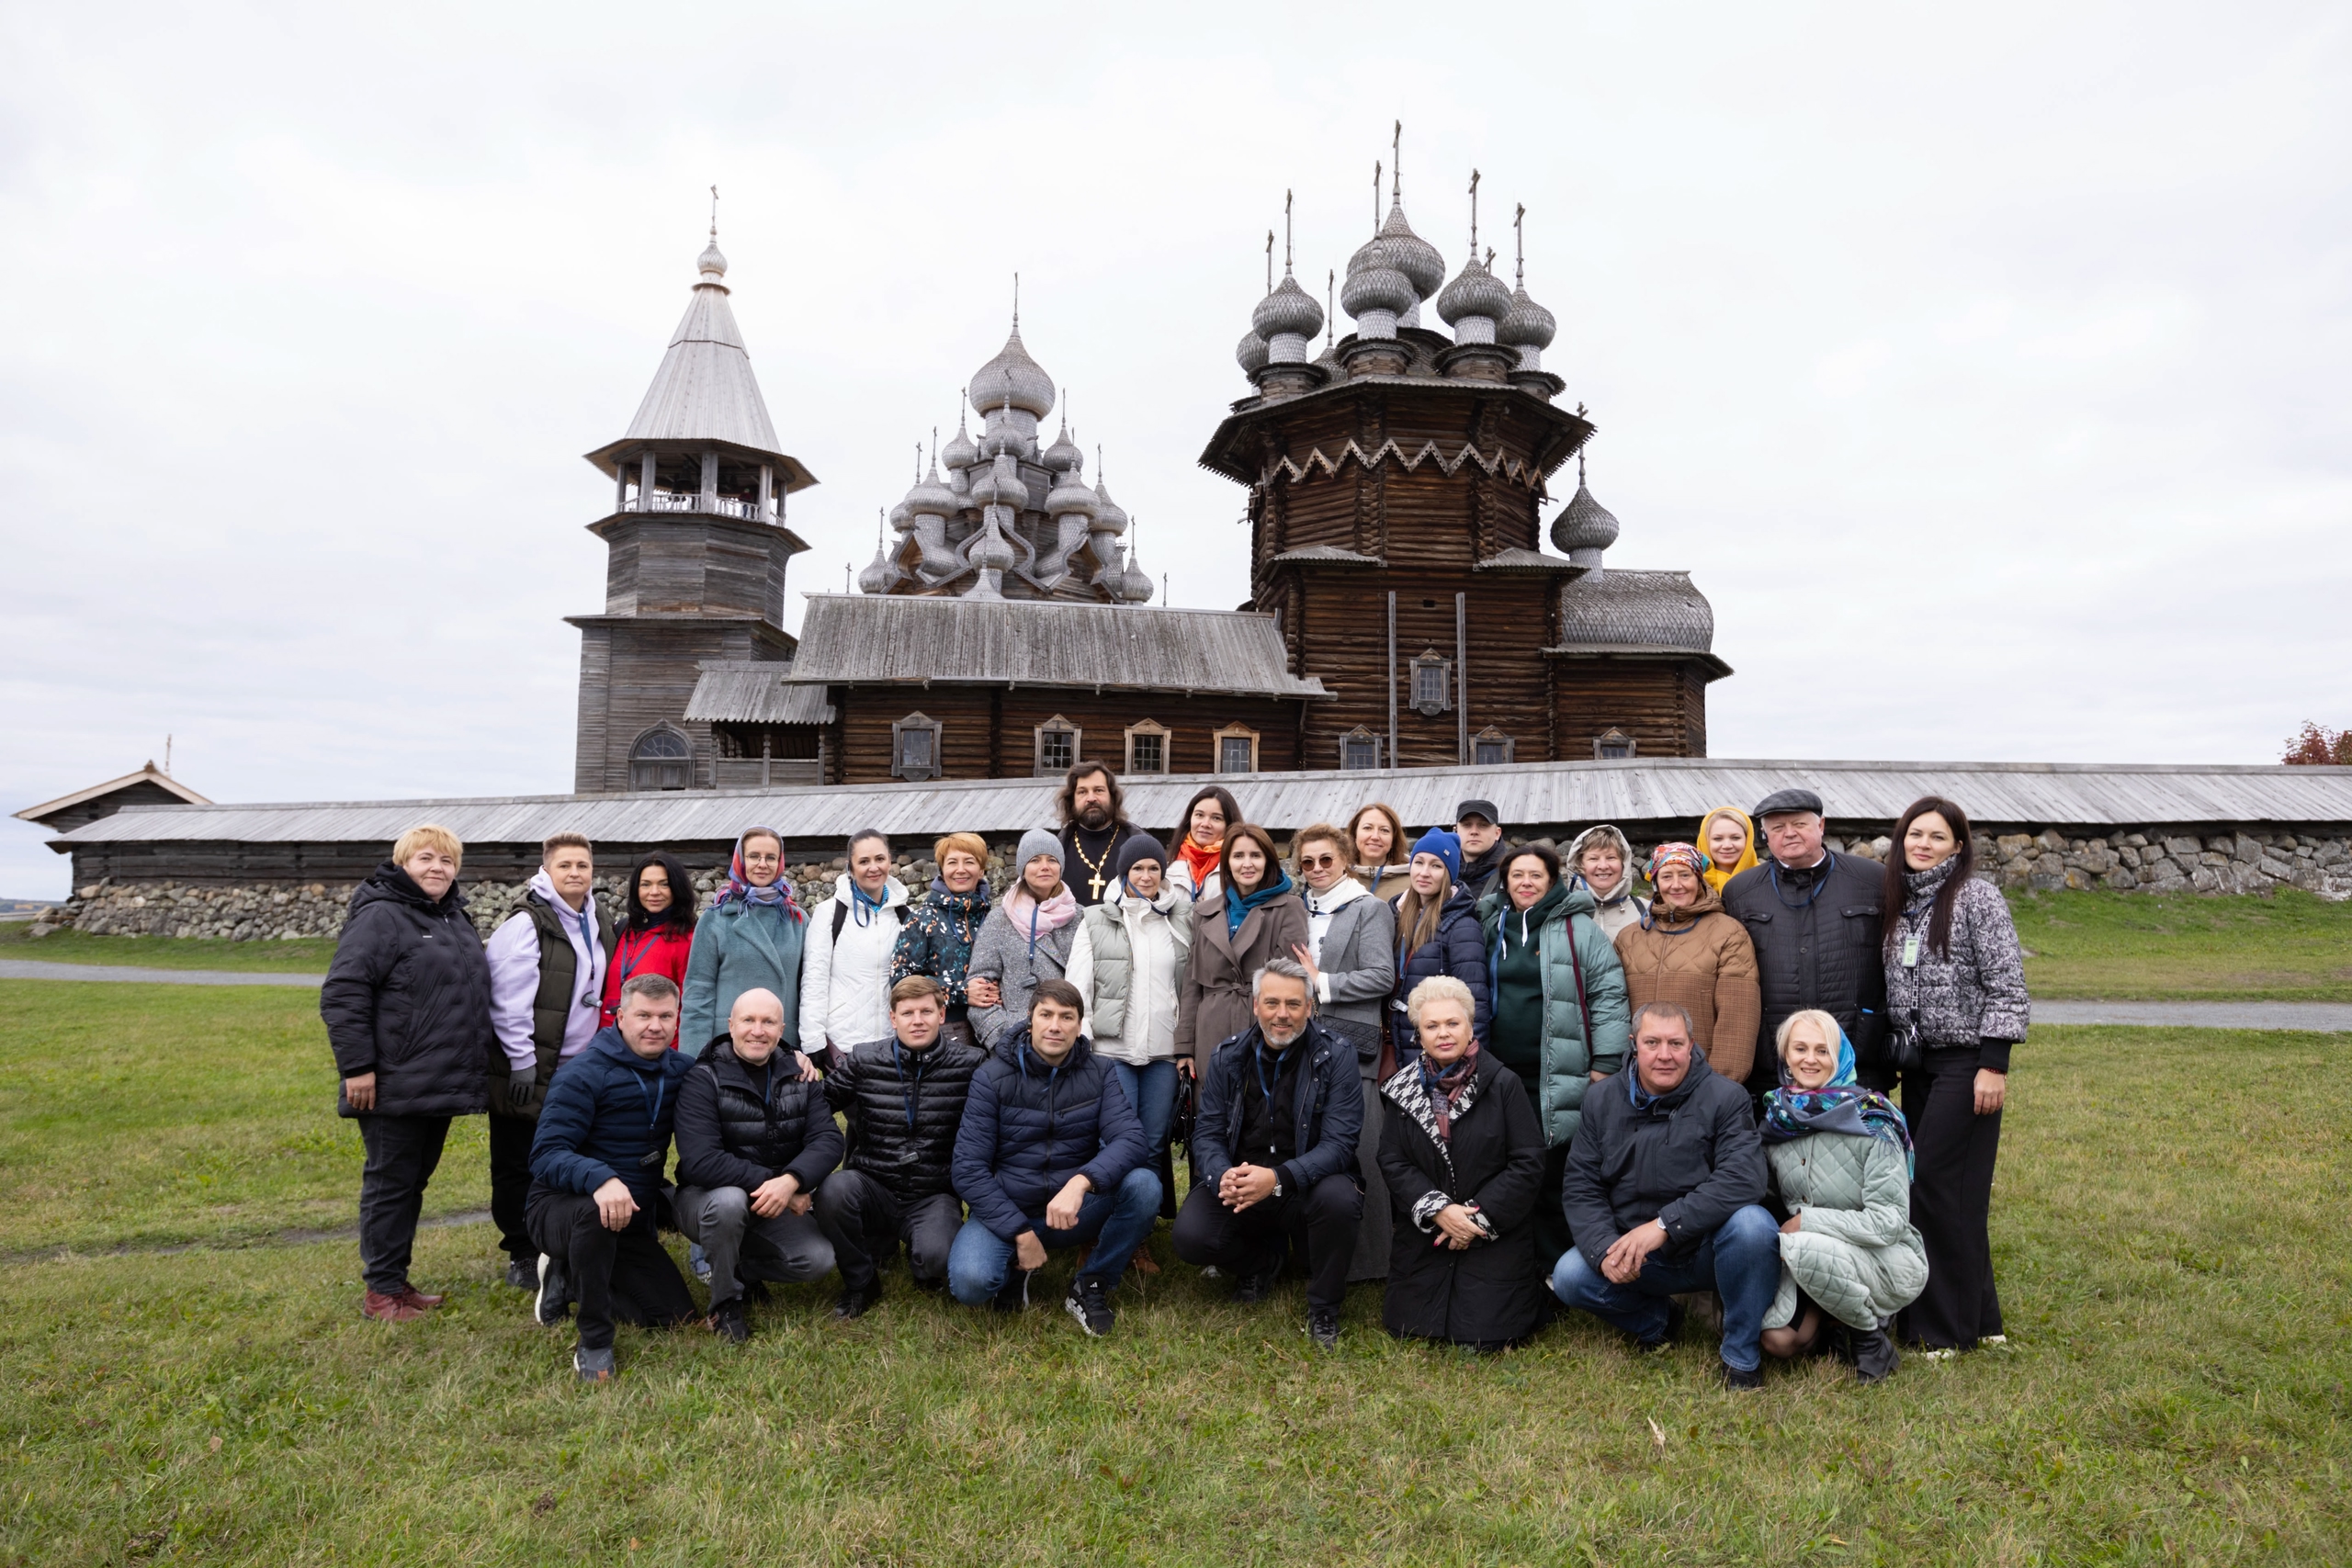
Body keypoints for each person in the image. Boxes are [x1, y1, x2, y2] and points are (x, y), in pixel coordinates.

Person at [1553, 1000, 1777, 1390]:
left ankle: (1741, 1355)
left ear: (1691, 1045)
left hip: (1707, 1247)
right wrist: (1605, 1250)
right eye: (1652, 1043)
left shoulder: (1727, 1097)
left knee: (1754, 1226)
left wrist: (1664, 1225)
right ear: (1633, 1045)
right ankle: (1660, 1321)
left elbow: (1744, 1179)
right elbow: (1581, 1185)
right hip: (1638, 1255)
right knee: (1571, 1275)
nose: (1664, 1055)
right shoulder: (1601, 1100)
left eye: (1675, 1044)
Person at [321, 824, 493, 1322]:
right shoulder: (381, 917)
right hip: (392, 1082)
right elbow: (344, 993)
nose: (437, 868)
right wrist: (358, 1068)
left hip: (433, 1082)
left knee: (410, 1184)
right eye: (426, 859)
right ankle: (381, 1294)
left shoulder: (451, 917)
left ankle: (395, 1281)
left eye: (447, 860)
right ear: (403, 864)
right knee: (390, 1184)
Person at [1880, 795, 2029, 1358]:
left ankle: (1939, 1330)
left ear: (1958, 845)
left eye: (1936, 837)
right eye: (1914, 835)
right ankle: (1982, 1319)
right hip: (1920, 1066)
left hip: (1968, 1063)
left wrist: (1994, 1064)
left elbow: (2007, 985)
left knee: (1935, 1188)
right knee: (1954, 1192)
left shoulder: (1976, 898)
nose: (1922, 845)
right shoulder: (1903, 901)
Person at [946, 980, 1160, 1336]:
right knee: (971, 1284)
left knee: (1144, 1185)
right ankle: (1017, 1267)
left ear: (1080, 1026)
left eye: (1067, 1017)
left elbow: (1131, 1139)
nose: (1055, 1026)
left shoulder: (1100, 1072)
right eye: (1046, 1015)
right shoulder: (990, 1077)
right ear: (1030, 1020)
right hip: (1009, 1207)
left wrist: (1081, 1182)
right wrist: (1019, 1231)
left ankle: (1092, 1282)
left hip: (1074, 1212)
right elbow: (968, 1170)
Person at [1173, 959, 1364, 1348]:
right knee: (1191, 1237)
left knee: (1340, 1199)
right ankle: (1262, 1265)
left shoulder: (1337, 1055)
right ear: (1256, 1005)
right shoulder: (1228, 1056)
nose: (1282, 1015)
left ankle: (1324, 1308)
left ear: (1310, 1008)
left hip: (1305, 1184)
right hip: (1244, 1181)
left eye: (1293, 1005)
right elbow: (1207, 1133)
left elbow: (1340, 1145)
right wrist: (1221, 1175)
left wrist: (1277, 1179)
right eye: (1272, 1003)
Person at [526, 974, 699, 1383]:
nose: (654, 1025)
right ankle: (595, 1340)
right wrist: (600, 1178)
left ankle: (569, 1277)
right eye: (643, 1015)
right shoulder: (583, 1074)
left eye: (664, 1016)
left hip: (630, 1217)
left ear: (678, 1020)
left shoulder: (683, 1071)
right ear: (620, 1017)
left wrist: (791, 1058)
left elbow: (733, 1071)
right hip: (563, 1206)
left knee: (675, 1317)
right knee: (594, 1213)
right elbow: (545, 1155)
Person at [1377, 976, 1547, 1351]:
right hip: (1430, 1235)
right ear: (1418, 1036)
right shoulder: (1400, 1089)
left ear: (1471, 1027)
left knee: (1489, 1335)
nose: (1443, 1034)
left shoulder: (1504, 1083)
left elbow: (1528, 1162)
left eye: (1452, 1023)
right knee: (1409, 1327)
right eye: (1431, 1026)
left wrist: (1474, 1220)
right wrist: (1438, 1210)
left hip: (1492, 1232)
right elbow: (1392, 1159)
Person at [1481, 840, 1630, 1267]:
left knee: (1552, 1167)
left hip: (1558, 1071)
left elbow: (1608, 994)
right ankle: (1509, 1265)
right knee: (1503, 1164)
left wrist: (1605, 1063)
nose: (1526, 883)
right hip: (1497, 1071)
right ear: (1505, 882)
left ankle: (1555, 1268)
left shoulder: (1578, 927)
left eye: (1536, 876)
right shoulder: (1488, 922)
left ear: (1552, 882)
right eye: (1517, 875)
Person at [1758, 1010, 1925, 1382]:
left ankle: (1870, 1339)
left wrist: (1809, 1222)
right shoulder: (1777, 1120)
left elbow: (1890, 1221)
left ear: (1840, 1056)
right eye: (1800, 1048)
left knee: (1804, 1245)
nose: (1810, 1059)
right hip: (1808, 1256)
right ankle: (1832, 1326)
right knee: (1777, 1340)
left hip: (1880, 1255)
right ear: (1785, 1055)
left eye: (1822, 1050)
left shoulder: (1875, 1121)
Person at [672, 987, 842, 1343]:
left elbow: (828, 1140)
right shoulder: (703, 1078)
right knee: (730, 1202)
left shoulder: (801, 1076)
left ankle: (736, 1268)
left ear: (782, 1029)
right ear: (731, 1025)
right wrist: (777, 1183)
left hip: (773, 1202)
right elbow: (701, 1162)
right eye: (748, 1020)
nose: (757, 1030)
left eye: (768, 1022)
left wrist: (792, 1180)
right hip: (706, 1200)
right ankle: (726, 1304)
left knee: (817, 1259)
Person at [483, 833, 612, 1292]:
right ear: (547, 871)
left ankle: (562, 1241)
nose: (575, 873)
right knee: (518, 1158)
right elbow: (506, 1001)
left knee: (569, 1153)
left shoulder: (596, 918)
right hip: (530, 1067)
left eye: (583, 865)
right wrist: (521, 1062)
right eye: (566, 866)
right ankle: (521, 1250)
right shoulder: (526, 924)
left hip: (579, 1065)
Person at [818, 976, 988, 1316]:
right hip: (873, 1184)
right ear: (893, 1019)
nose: (918, 1020)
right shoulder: (865, 1059)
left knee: (938, 1258)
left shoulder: (971, 1064)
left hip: (932, 1192)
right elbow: (818, 1105)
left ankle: (921, 1261)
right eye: (908, 1013)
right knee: (835, 1190)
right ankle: (861, 1281)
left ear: (942, 1014)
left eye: (926, 1011)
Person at [1720, 787, 1891, 1098]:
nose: (1789, 834)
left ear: (1821, 826)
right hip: (1771, 1060)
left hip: (1856, 1054)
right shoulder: (1740, 892)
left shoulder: (1873, 880)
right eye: (1777, 828)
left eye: (1799, 824)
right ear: (1765, 835)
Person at [1288, 821, 1399, 1282]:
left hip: (1352, 1046)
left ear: (1345, 860)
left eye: (1325, 860)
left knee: (1361, 1148)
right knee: (1305, 1149)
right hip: (1300, 1042)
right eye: (1307, 862)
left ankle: (1370, 1263)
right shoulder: (1298, 908)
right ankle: (1307, 1257)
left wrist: (1322, 984)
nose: (1316, 869)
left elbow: (1381, 976)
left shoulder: (1367, 908)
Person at [1065, 834, 1193, 1231]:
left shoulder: (1180, 918)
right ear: (1124, 872)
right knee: (1116, 1145)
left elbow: (1188, 985)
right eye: (1138, 868)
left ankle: (1139, 1230)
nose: (1147, 874)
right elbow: (1078, 987)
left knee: (1154, 1145)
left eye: (1154, 867)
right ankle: (1102, 1227)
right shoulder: (1096, 919)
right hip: (1112, 1053)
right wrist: (1084, 1040)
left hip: (1162, 1053)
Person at [1613, 842, 1761, 1086]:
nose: (1676, 884)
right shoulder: (1629, 937)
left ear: (1699, 880)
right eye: (1667, 876)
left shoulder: (1728, 933)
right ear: (1656, 883)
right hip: (1639, 1080)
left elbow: (1738, 1019)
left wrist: (1719, 1086)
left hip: (1702, 1080)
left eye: (1685, 875)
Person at [1175, 823, 1308, 1079]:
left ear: (1268, 861)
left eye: (1255, 855)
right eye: (1238, 856)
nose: (1247, 864)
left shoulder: (1289, 908)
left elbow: (1290, 979)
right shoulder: (1205, 912)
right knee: (1212, 1111)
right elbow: (1192, 986)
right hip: (1211, 1030)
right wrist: (1184, 1047)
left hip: (1263, 1027)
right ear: (1227, 863)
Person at [682, 826, 808, 1059]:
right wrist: (694, 1056)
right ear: (741, 860)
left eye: (771, 857)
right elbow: (698, 991)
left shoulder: (797, 920)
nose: (762, 864)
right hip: (726, 1047)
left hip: (782, 1045)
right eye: (754, 856)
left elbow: (809, 988)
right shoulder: (717, 918)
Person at [799, 829, 913, 1063]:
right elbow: (814, 979)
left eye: (879, 859)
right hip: (844, 1046)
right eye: (864, 861)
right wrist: (813, 1042)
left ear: (890, 861)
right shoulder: (830, 913)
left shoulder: (905, 915)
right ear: (850, 867)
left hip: (895, 1045)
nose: (874, 867)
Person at [1388, 829, 1492, 1071]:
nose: (1424, 873)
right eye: (1419, 862)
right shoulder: (1396, 916)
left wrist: (1469, 1065)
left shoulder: (1462, 925)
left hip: (1441, 1050)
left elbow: (1476, 1003)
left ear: (1449, 874)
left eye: (1436, 866)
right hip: (1398, 1045)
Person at [967, 829, 1080, 1047]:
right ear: (1022, 868)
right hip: (1015, 1040)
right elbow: (981, 986)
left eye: (1052, 860)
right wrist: (1001, 1037)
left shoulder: (1080, 917)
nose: (1045, 866)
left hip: (1067, 1039)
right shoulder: (1001, 918)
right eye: (1035, 860)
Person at [890, 832, 992, 1050]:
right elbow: (901, 980)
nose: (960, 869)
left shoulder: (995, 917)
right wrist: (961, 992)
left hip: (993, 1023)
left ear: (981, 869)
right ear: (942, 870)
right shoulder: (922, 920)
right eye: (952, 862)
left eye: (969, 862)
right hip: (946, 1028)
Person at [599, 852, 697, 1029]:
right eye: (645, 884)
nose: (654, 892)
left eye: (664, 884)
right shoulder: (621, 930)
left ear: (677, 888)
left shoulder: (687, 939)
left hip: (654, 1045)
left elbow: (691, 1006)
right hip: (607, 1041)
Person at [1057, 761, 1141, 908]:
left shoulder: (1137, 845)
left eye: (1099, 790)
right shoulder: (1058, 850)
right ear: (1072, 800)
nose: (1091, 798)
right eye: (1082, 792)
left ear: (1112, 796)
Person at [1564, 824, 1648, 941]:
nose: (1603, 866)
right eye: (1593, 858)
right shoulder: (1561, 913)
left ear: (1624, 863)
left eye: (1611, 858)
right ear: (1579, 865)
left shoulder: (1647, 910)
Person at [1169, 784, 1241, 902]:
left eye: (1216, 818)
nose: (1205, 824)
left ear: (1229, 825)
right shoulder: (1168, 866)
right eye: (1199, 815)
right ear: (1189, 819)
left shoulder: (1239, 867)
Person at [1345, 802, 1412, 903]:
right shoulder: (1337, 878)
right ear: (1355, 835)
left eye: (1384, 830)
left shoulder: (1412, 884)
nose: (1375, 836)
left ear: (1393, 839)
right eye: (1367, 828)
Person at [1453, 799, 1510, 908]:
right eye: (1467, 825)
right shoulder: (1442, 873)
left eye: (1483, 825)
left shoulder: (1511, 874)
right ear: (1456, 831)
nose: (1474, 831)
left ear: (1497, 833)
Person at [1700, 807, 1758, 897]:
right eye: (1718, 839)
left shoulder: (1768, 880)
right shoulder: (1691, 885)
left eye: (1735, 838)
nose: (1727, 846)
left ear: (1748, 840)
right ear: (1705, 842)